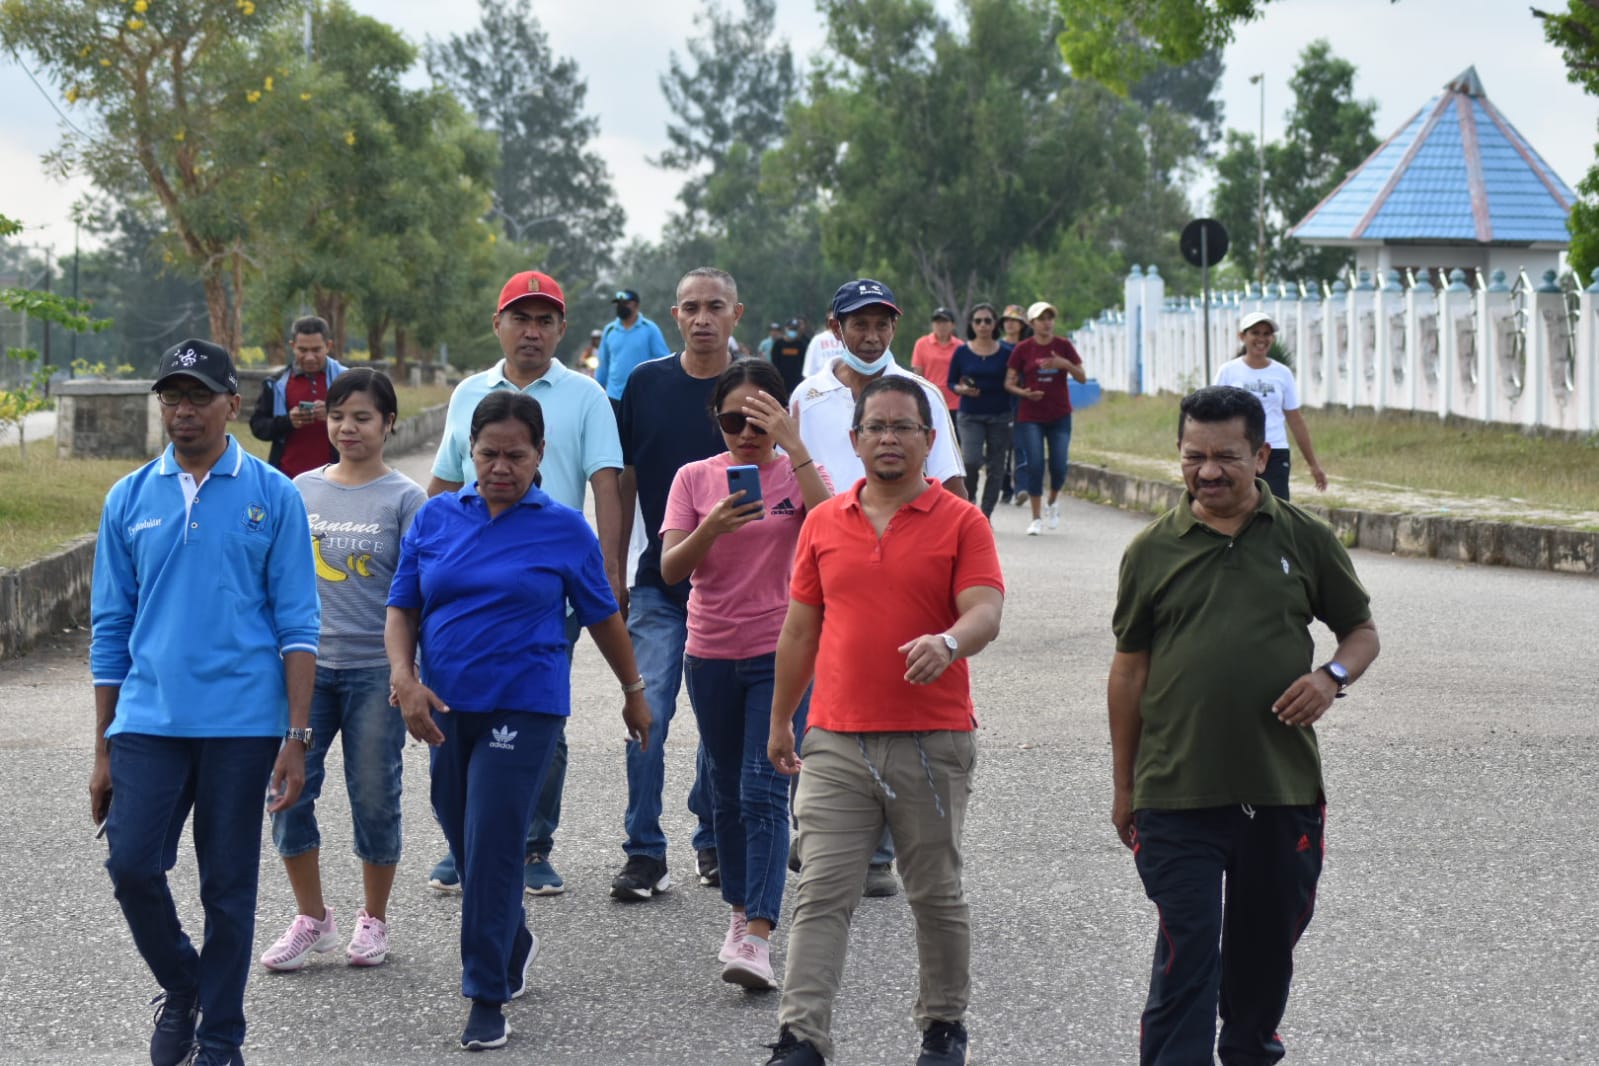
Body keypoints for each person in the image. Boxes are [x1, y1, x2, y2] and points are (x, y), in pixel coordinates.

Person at [1107, 385, 1380, 1066]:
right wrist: (1124, 786)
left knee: (1263, 951)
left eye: (1225, 457)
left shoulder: (1304, 538)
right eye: (1192, 456)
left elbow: (1361, 633)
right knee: (1188, 949)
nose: (1207, 472)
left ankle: (1250, 1048)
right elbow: (1129, 672)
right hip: (1176, 791)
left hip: (1279, 786)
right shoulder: (1151, 551)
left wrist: (1330, 677)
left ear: (1260, 456)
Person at [387, 391, 651, 1052]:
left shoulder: (563, 528)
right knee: (463, 835)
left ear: (540, 455)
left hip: (525, 705)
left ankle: (485, 994)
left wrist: (633, 691)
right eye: (488, 454)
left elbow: (602, 616)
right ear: (468, 452)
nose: (501, 467)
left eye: (516, 455)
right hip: (446, 706)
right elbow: (402, 607)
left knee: (494, 844)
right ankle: (512, 938)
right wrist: (404, 678)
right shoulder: (435, 518)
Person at [90, 338, 320, 1066]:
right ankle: (185, 985)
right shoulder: (128, 497)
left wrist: (296, 736)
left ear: (232, 403)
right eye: (172, 396)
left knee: (228, 889)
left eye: (198, 396)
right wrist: (102, 749)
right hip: (148, 720)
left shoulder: (273, 494)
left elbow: (298, 623)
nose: (183, 409)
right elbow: (111, 629)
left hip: (242, 725)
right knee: (132, 866)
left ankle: (220, 1039)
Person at [763, 376, 1005, 1066]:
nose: (889, 438)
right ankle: (800, 1038)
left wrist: (948, 641)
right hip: (835, 740)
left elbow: (985, 611)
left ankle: (943, 1027)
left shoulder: (962, 522)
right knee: (821, 893)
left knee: (934, 894)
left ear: (929, 440)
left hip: (932, 741)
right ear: (854, 440)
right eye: (876, 427)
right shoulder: (824, 522)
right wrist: (781, 720)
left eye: (904, 427)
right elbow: (800, 631)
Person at [425, 269, 623, 897]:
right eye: (520, 319)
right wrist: (419, 559)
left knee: (538, 712)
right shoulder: (469, 393)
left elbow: (607, 483)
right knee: (457, 707)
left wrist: (610, 570)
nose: (531, 331)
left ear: (561, 329)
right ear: (499, 325)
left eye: (544, 321)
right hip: (468, 582)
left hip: (547, 586)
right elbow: (444, 480)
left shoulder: (586, 396)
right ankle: (467, 837)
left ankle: (533, 842)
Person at [788, 278, 968, 898]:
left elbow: (952, 485)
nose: (871, 336)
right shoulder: (808, 398)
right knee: (822, 697)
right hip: (829, 566)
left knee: (893, 697)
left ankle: (879, 854)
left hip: (907, 563)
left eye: (881, 324)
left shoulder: (922, 396)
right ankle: (820, 828)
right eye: (858, 324)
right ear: (835, 329)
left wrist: (956, 568)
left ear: (895, 326)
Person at [660, 360, 832, 991]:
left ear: (782, 416)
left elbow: (836, 528)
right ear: (717, 421)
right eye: (734, 420)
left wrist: (795, 447)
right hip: (709, 653)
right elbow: (670, 569)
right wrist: (711, 526)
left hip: (781, 652)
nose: (747, 433)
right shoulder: (693, 478)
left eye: (760, 420)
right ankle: (739, 914)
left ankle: (759, 935)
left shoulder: (799, 472)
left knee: (764, 786)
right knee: (726, 790)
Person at [258, 368, 425, 974]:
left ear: (388, 423)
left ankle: (373, 919)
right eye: (337, 416)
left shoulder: (407, 498)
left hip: (375, 674)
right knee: (287, 792)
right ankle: (312, 918)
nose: (347, 428)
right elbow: (272, 580)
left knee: (375, 796)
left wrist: (410, 673)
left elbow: (418, 594)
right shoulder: (298, 490)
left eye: (362, 417)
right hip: (305, 671)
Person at [611, 267, 742, 901]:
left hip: (734, 589)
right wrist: (613, 567)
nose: (702, 318)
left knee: (719, 721)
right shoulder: (645, 384)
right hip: (657, 585)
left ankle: (711, 835)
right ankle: (644, 850)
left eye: (715, 306)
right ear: (674, 315)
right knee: (649, 715)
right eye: (691, 307)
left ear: (736, 314)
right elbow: (625, 479)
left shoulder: (753, 387)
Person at [1213, 310, 1328, 501]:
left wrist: (1313, 465)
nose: (1261, 339)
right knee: (1238, 506)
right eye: (1255, 333)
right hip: (1238, 451)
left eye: (1267, 334)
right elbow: (1214, 415)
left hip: (1275, 451)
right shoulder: (1228, 371)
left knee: (1275, 508)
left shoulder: (1282, 373)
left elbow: (1295, 420)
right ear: (1242, 337)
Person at [1006, 300, 1086, 536]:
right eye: (1041, 319)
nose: (1046, 323)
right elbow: (1009, 382)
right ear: (1032, 323)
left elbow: (1082, 377)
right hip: (1031, 416)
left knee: (1059, 466)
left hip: (1059, 414)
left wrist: (1064, 364)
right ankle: (1036, 518)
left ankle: (1052, 501)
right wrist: (1024, 393)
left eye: (1050, 318)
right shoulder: (1023, 349)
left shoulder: (1063, 345)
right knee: (1035, 464)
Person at [249, 315, 346, 479]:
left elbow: (364, 424)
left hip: (336, 478)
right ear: (293, 346)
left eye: (316, 350)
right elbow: (258, 426)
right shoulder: (276, 383)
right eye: (303, 350)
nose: (309, 357)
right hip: (287, 478)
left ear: (328, 346)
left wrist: (333, 415)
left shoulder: (347, 381)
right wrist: (288, 421)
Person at [946, 303, 1014, 519]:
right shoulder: (962, 352)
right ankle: (970, 502)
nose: (983, 325)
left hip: (1000, 415)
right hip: (970, 414)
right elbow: (951, 382)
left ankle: (985, 514)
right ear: (971, 325)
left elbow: (1014, 380)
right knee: (971, 461)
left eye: (987, 320)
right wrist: (961, 389)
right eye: (978, 321)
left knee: (997, 466)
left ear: (995, 324)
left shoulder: (1006, 353)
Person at [595, 287, 671, 421]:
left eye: (625, 303)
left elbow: (664, 360)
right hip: (614, 396)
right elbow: (603, 364)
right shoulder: (610, 330)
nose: (620, 307)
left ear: (636, 305)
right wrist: (597, 390)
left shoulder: (649, 329)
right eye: (618, 304)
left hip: (643, 396)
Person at [998, 304, 1031, 507]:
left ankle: (1022, 488)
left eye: (1015, 321)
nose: (1010, 324)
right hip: (1000, 403)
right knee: (1002, 449)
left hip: (1023, 402)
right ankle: (1005, 488)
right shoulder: (998, 347)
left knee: (1021, 446)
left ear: (1022, 325)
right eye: (1007, 320)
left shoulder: (1028, 347)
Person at [911, 307, 961, 415]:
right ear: (932, 325)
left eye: (945, 322)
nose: (941, 326)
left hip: (955, 402)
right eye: (937, 322)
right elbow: (918, 374)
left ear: (953, 325)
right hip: (930, 400)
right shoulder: (922, 344)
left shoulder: (960, 346)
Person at [770, 318, 810, 397]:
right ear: (786, 329)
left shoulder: (801, 345)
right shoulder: (778, 344)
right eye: (791, 329)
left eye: (794, 329)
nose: (792, 331)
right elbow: (774, 362)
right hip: (782, 381)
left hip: (797, 381)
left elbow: (804, 363)